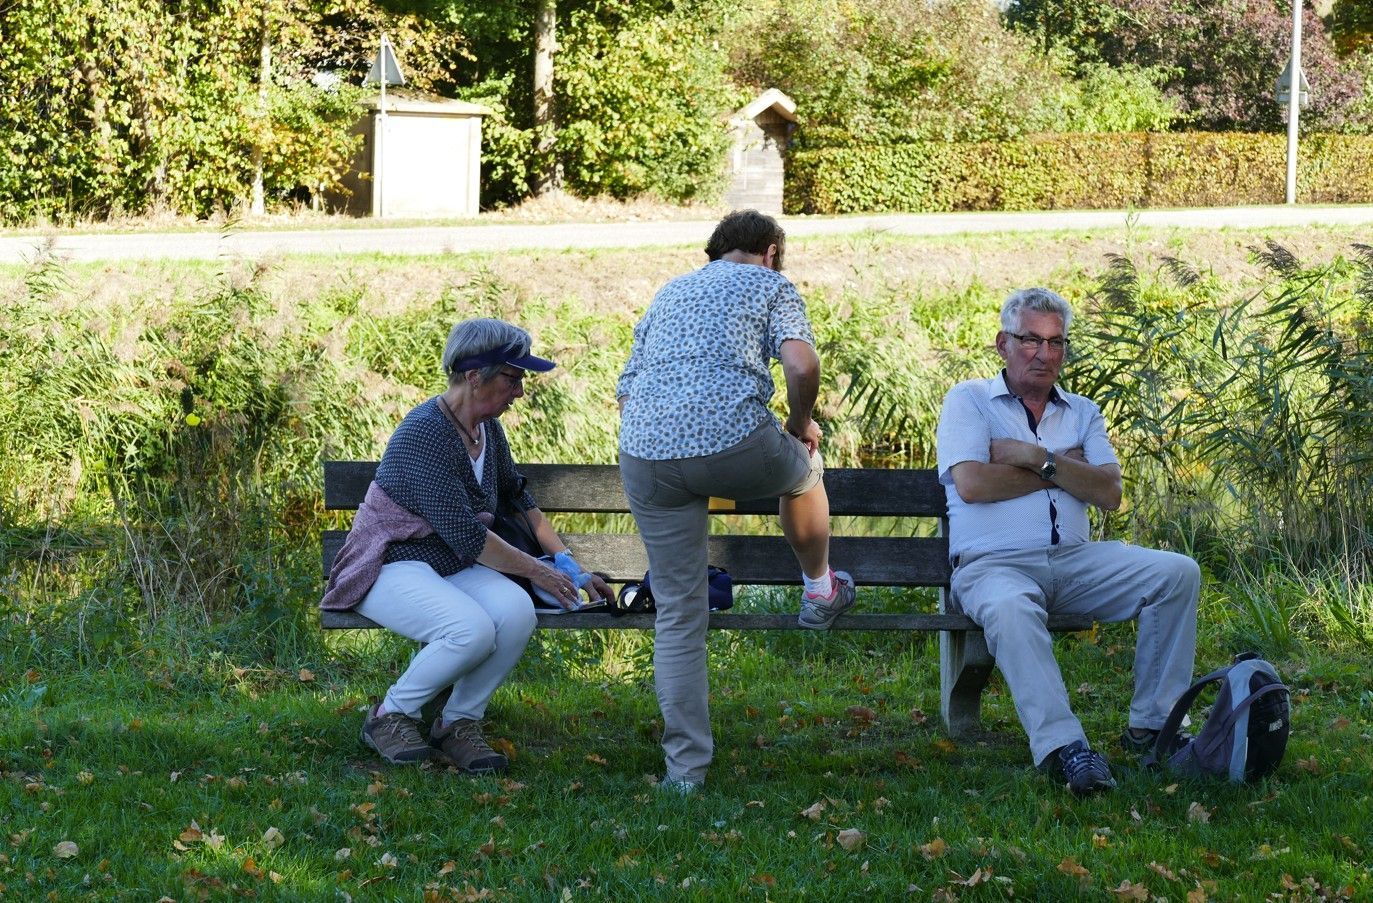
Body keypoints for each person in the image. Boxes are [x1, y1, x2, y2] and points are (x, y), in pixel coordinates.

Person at [616, 209, 854, 794]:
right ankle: (820, 589)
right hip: (733, 441)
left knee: (678, 614)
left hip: (645, 454)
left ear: (716, 250)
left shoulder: (671, 291)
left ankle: (685, 773)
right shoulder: (772, 285)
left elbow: (626, 391)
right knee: (802, 473)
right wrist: (801, 423)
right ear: (771, 251)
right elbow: (801, 363)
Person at [935, 288, 1200, 795]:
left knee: (1176, 573)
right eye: (1030, 339)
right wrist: (1068, 467)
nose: (1044, 353)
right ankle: (1065, 748)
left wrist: (1035, 459)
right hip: (995, 567)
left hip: (1076, 563)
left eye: (1056, 342)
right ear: (1002, 344)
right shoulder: (968, 400)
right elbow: (973, 484)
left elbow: (1108, 492)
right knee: (1011, 607)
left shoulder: (1083, 411)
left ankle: (1152, 725)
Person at [322, 318, 612, 773]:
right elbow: (468, 535)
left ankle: (457, 723)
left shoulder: (487, 431)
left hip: (449, 563)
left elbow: (521, 503)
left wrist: (570, 569)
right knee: (470, 630)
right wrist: (540, 572)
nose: (519, 392)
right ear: (475, 376)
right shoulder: (425, 433)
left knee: (516, 613)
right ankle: (389, 715)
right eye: (512, 379)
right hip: (390, 564)